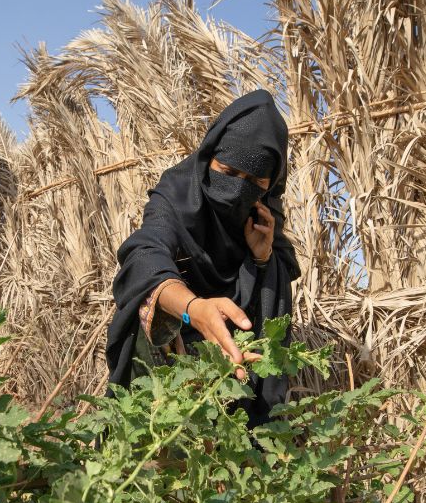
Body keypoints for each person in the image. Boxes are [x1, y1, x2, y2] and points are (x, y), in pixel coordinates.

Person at [105, 89, 300, 427]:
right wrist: (194, 310)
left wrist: (263, 259)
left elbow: (270, 312)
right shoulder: (177, 197)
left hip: (238, 356)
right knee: (146, 308)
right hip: (175, 348)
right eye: (227, 171)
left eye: (255, 182)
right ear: (209, 157)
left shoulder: (265, 223)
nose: (238, 189)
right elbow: (144, 254)